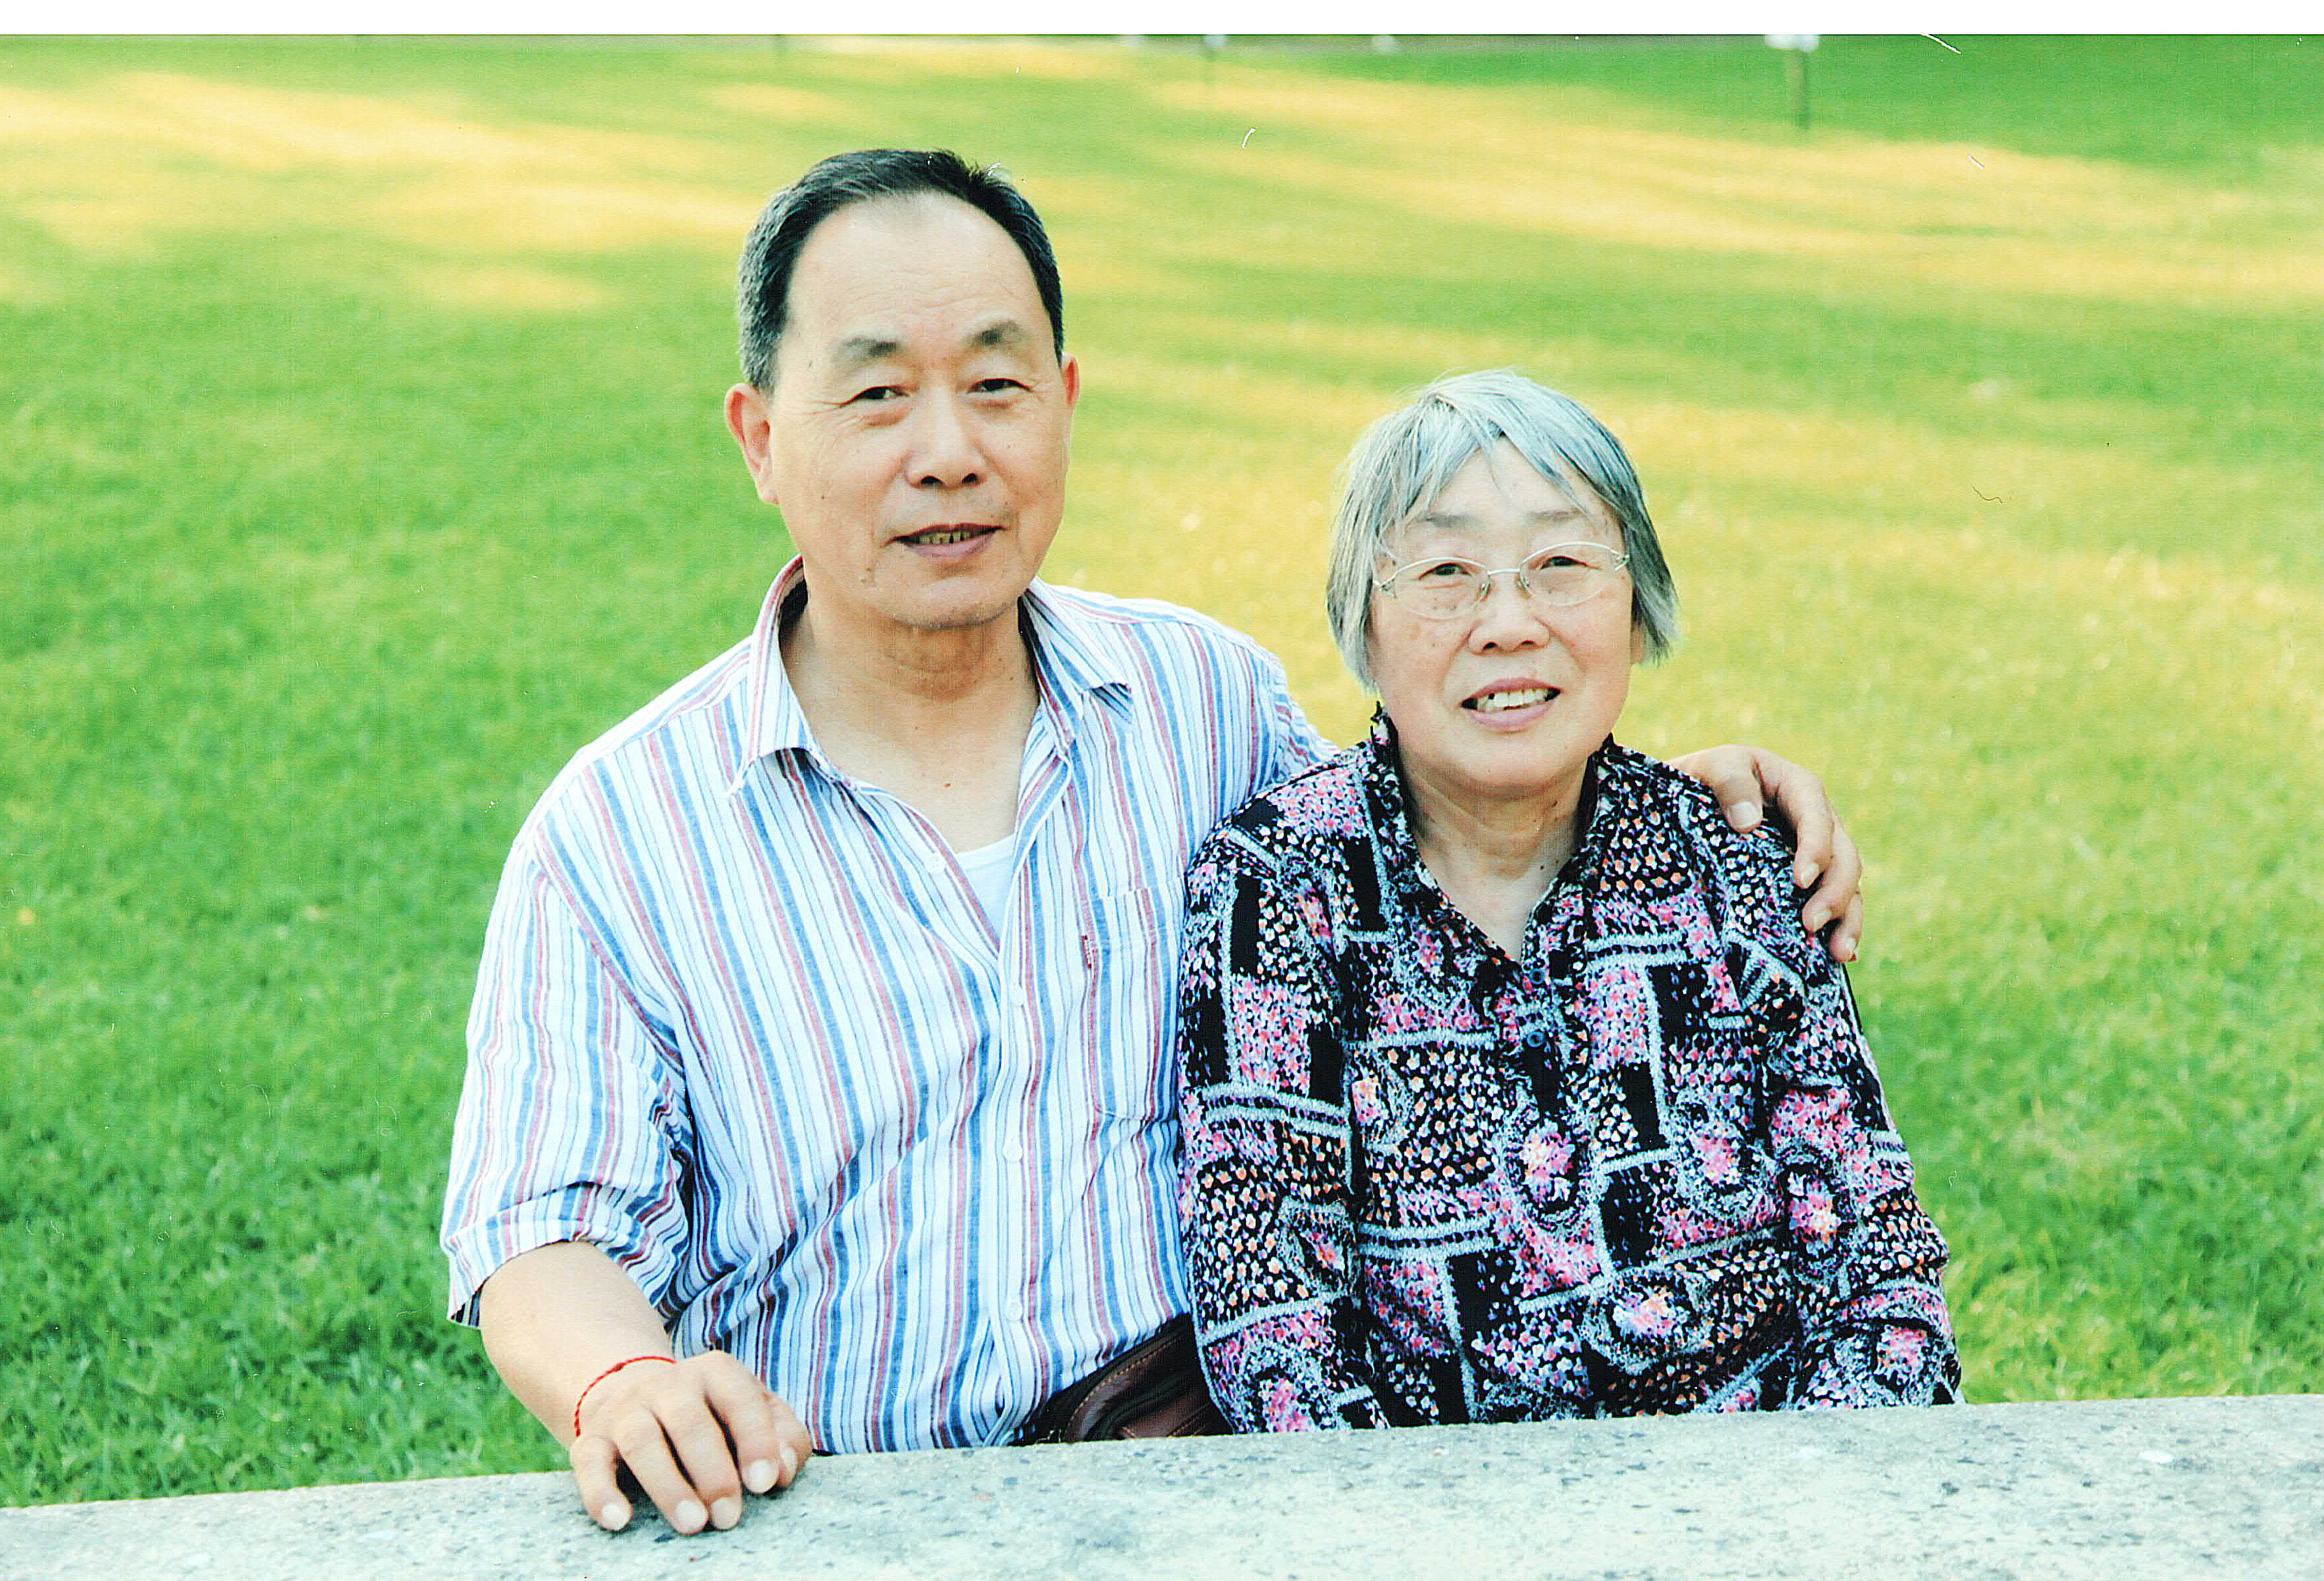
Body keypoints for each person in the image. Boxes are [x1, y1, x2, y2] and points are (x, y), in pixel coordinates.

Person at [440, 149, 1871, 1537]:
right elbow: (539, 1230)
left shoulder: (1202, 702)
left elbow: (1430, 852)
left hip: (1195, 1486)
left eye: (996, 385)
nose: (949, 453)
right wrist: (620, 1377)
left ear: (1061, 404)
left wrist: (1647, 805)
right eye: (877, 394)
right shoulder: (621, 830)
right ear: (760, 437)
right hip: (844, 1503)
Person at [1176, 370, 1959, 1430]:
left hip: (1770, 1494)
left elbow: (1882, 1282)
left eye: (1560, 564)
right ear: (1364, 624)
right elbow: (1275, 1334)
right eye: (1445, 571)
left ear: (1636, 608)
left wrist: (1793, 1506)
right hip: (1428, 1514)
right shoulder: (1281, 887)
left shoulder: (1736, 865)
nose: (1508, 623)